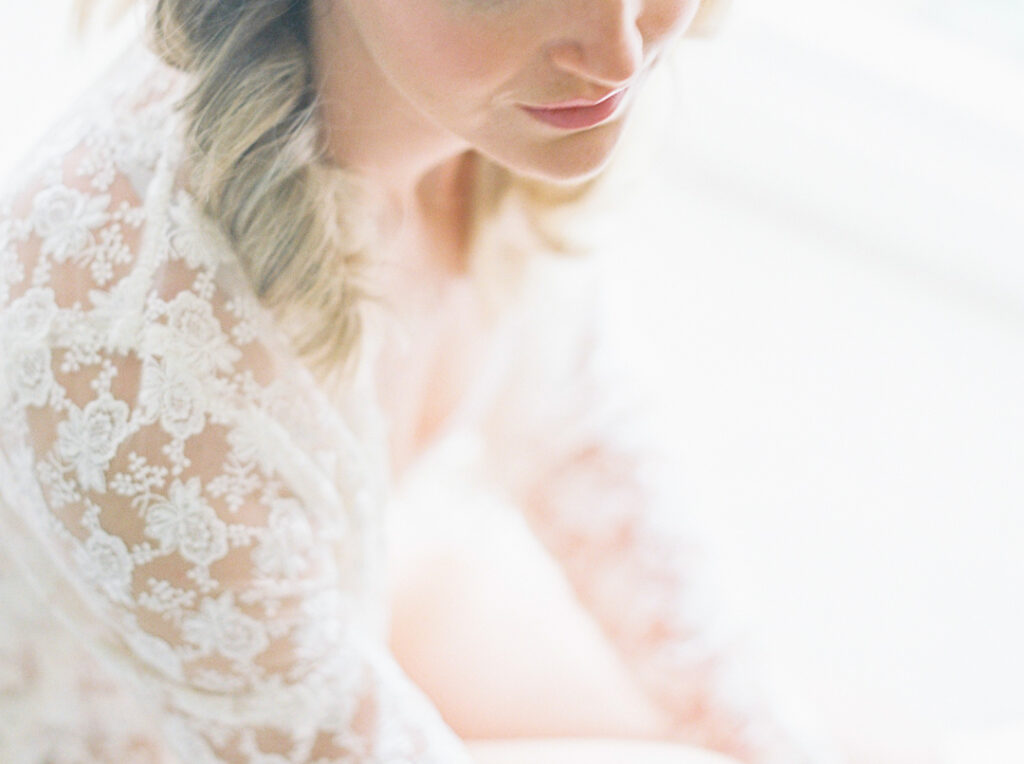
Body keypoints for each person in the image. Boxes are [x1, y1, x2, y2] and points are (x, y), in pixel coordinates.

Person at [0, 0, 932, 762]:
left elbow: (583, 429)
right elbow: (331, 742)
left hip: (353, 601)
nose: (618, 53)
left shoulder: (481, 99)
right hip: (137, 727)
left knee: (855, 742)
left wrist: (768, 734)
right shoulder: (118, 323)